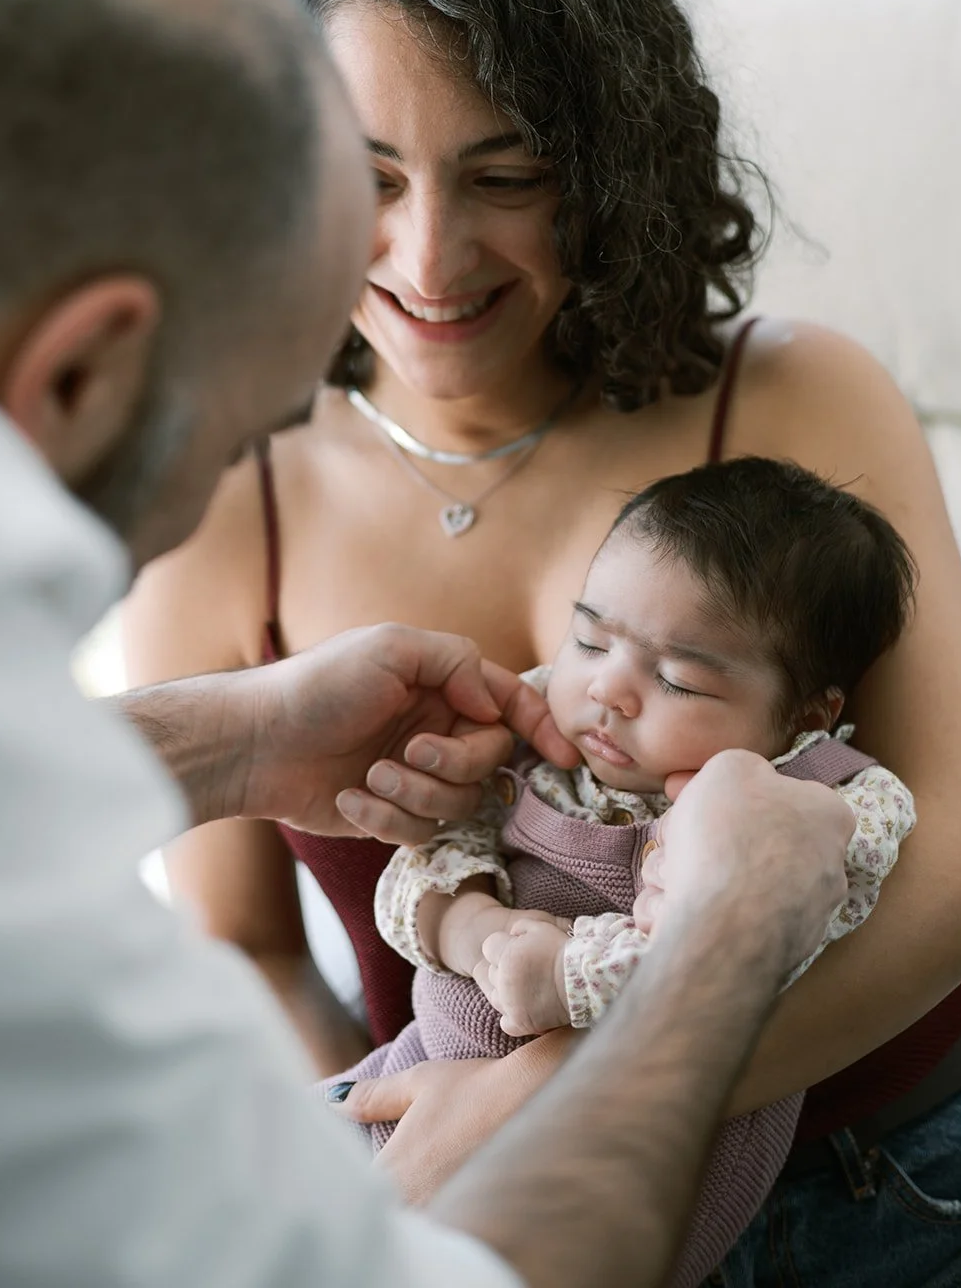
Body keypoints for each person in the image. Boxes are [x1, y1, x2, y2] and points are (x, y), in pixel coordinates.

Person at [0, 0, 857, 1288]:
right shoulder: (34, 973)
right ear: (79, 371)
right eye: (247, 418)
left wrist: (224, 739)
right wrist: (709, 954)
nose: (416, 263)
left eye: (504, 170)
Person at [123, 0, 961, 1282]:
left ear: (611, 166)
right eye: (372, 178)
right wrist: (396, 1150)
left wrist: (563, 1094)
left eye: (505, 175)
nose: (428, 261)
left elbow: (953, 868)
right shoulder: (221, 489)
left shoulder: (791, 400)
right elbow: (239, 945)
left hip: (888, 1173)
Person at [337, 457, 918, 1286]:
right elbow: (426, 858)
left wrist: (567, 978)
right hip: (421, 1061)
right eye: (588, 638)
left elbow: (753, 946)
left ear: (804, 713)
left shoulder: (824, 800)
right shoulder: (543, 729)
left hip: (632, 1139)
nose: (607, 689)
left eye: (677, 678)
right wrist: (476, 929)